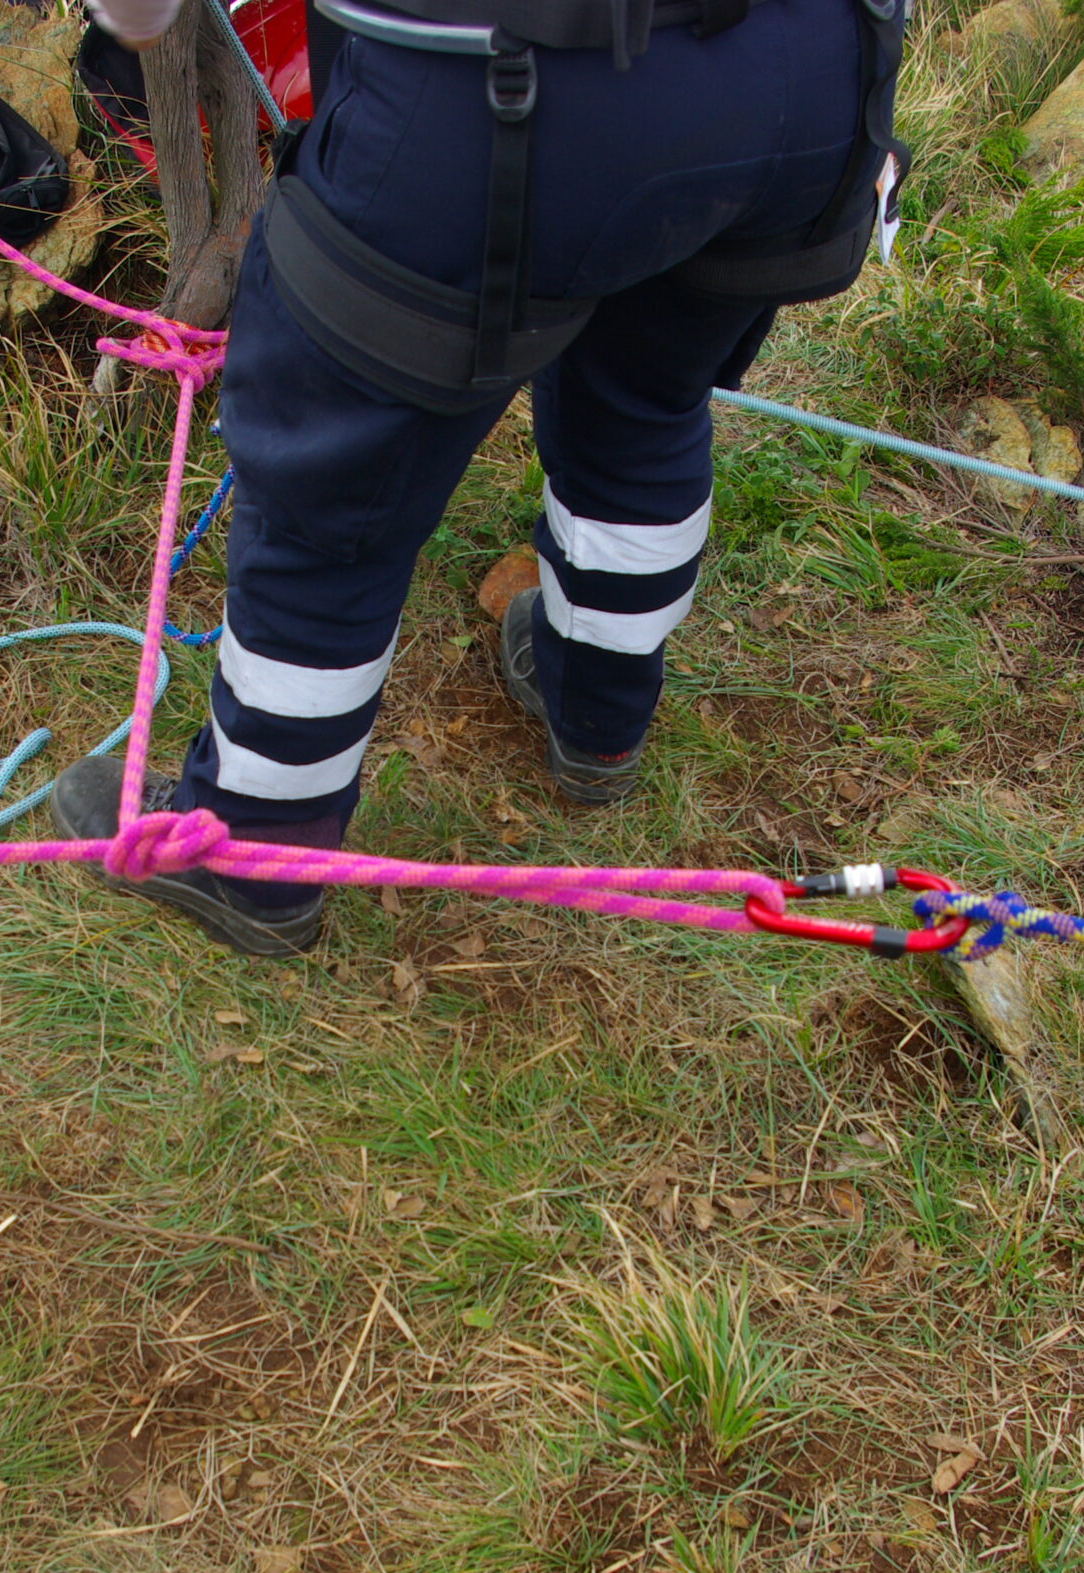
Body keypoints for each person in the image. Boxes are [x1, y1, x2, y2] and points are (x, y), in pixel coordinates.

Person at [51, 0, 909, 955]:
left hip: (506, 81)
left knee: (333, 495)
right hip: (811, 78)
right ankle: (598, 713)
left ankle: (253, 853)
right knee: (646, 394)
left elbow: (138, 13)